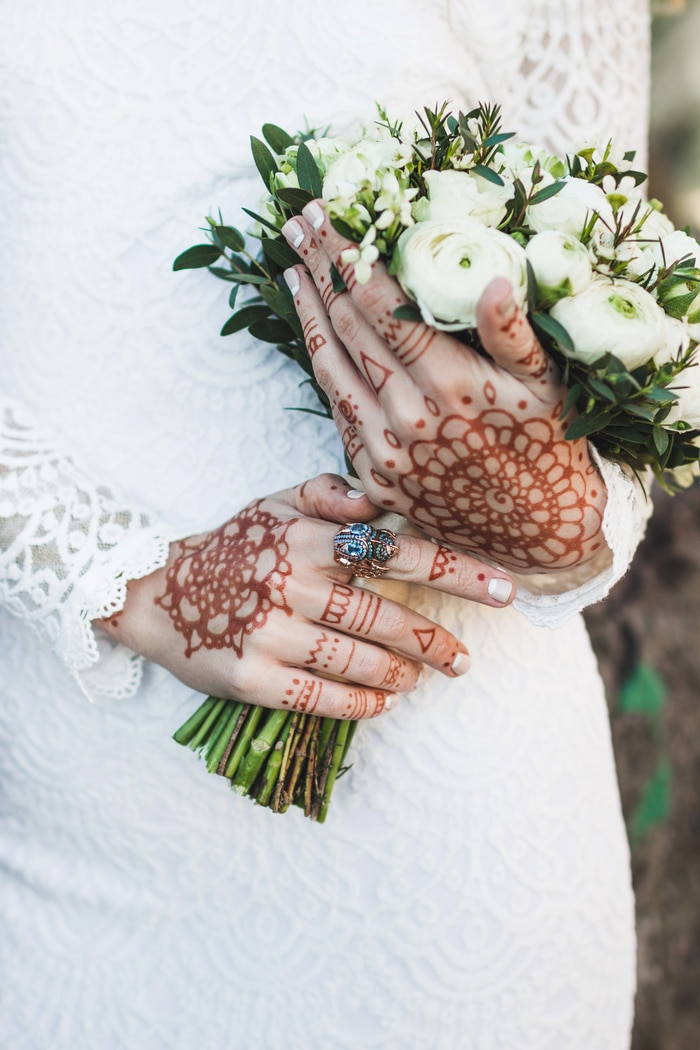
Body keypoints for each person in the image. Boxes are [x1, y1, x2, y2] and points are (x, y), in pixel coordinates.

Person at [0, 2, 652, 1047]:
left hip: (466, 853)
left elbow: (617, 309)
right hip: (99, 822)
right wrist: (128, 577)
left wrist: (560, 512)